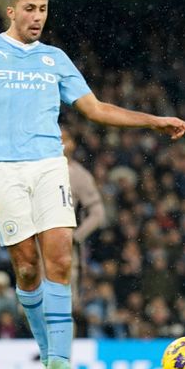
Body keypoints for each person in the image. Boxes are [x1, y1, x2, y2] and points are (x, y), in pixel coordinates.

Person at [0, 0, 185, 369]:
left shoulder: (55, 59)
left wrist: (154, 120)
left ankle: (62, 366)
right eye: (29, 8)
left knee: (61, 257)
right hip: (1, 167)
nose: (37, 17)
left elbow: (96, 109)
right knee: (27, 266)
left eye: (43, 9)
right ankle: (50, 359)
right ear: (11, 11)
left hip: (50, 164)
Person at [61, 128, 106, 307]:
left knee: (67, 302)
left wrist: (75, 237)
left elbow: (98, 214)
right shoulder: (33, 169)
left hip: (65, 246)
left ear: (73, 144)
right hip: (37, 242)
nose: (60, 143)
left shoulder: (80, 175)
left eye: (64, 139)